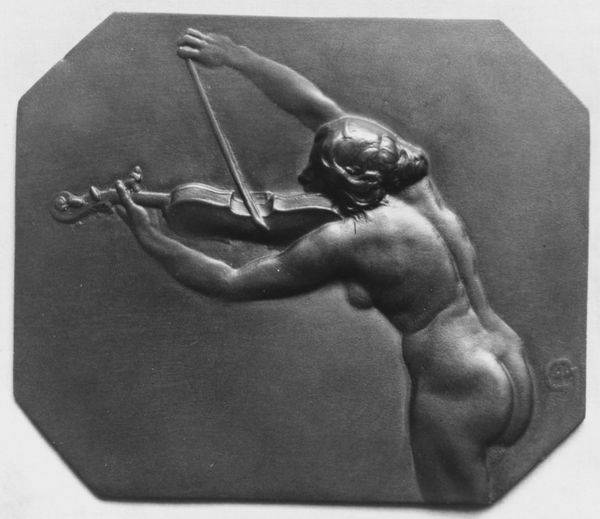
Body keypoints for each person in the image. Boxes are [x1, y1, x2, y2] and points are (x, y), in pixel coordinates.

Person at [114, 28, 533, 503]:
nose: (304, 177)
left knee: (453, 507)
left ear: (348, 179)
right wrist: (238, 57)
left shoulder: (349, 239)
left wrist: (149, 236)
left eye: (318, 172)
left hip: (456, 383)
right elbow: (317, 108)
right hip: (505, 356)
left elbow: (229, 281)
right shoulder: (407, 176)